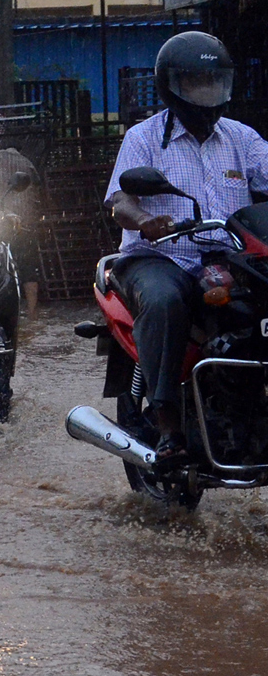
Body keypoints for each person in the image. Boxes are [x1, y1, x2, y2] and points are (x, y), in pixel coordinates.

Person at [105, 31, 268, 462]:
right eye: (197, 83)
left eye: (215, 83)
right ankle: (168, 424)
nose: (207, 93)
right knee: (163, 302)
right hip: (161, 257)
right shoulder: (143, 137)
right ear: (172, 86)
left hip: (232, 257)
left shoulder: (242, 138)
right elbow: (120, 201)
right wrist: (145, 222)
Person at [0, 146, 41, 318]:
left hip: (0, 220)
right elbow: (37, 186)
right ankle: (32, 313)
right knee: (28, 265)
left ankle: (0, 313)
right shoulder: (27, 163)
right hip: (26, 219)